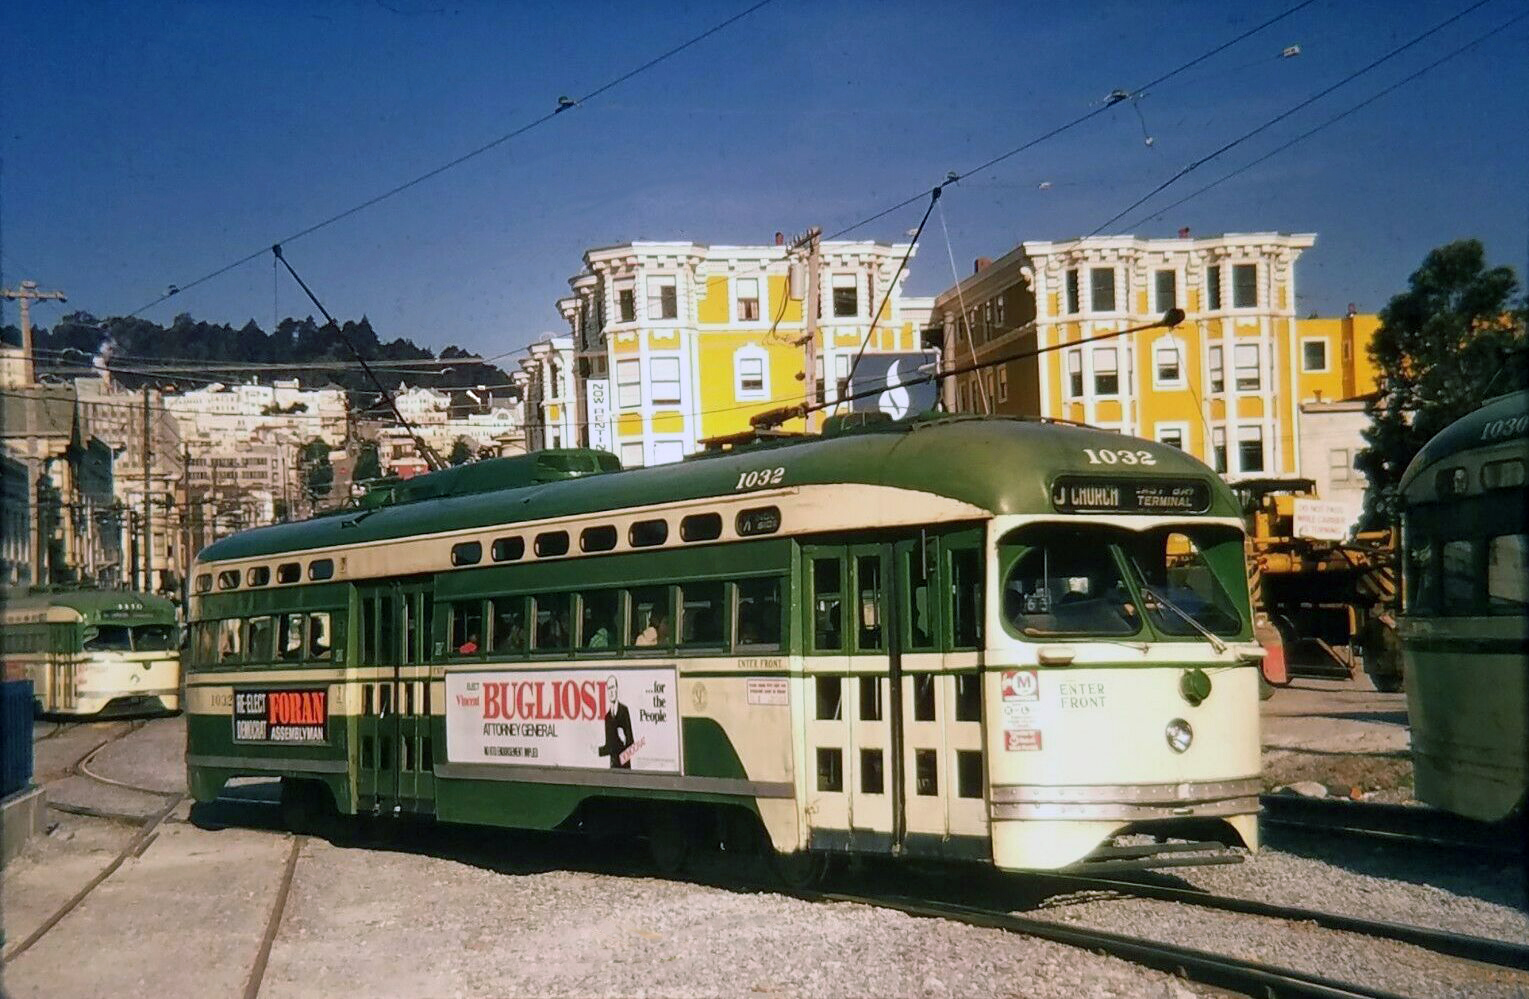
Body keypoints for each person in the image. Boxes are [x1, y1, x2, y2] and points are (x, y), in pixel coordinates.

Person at [597, 674, 635, 769]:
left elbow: (631, 744)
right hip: (613, 769)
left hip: (625, 769)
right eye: (609, 689)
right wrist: (597, 751)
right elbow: (609, 746)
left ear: (617, 688)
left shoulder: (624, 711)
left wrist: (624, 740)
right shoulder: (607, 717)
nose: (611, 691)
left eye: (613, 687)